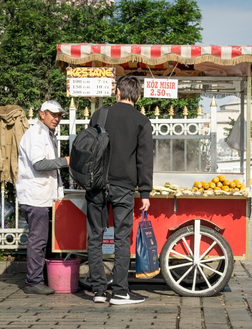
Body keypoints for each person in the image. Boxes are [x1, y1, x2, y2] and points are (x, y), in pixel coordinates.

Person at [85, 76, 153, 305]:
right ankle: (121, 291)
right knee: (121, 239)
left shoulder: (99, 115)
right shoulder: (142, 121)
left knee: (95, 236)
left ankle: (98, 291)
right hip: (124, 187)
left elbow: (87, 149)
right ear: (138, 96)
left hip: (96, 185)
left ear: (117, 92)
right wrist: (145, 192)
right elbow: (144, 161)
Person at [16, 100, 69, 295]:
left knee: (46, 240)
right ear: (42, 114)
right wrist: (65, 161)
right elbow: (39, 164)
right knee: (38, 240)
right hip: (35, 196)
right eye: (53, 114)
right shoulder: (35, 135)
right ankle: (33, 281)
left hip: (45, 195)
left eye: (59, 115)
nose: (57, 118)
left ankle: (44, 278)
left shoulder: (48, 134)